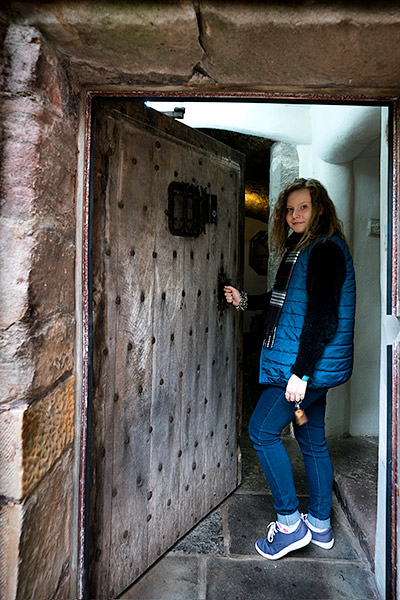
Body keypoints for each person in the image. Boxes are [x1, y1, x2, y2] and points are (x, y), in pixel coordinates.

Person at [224, 178, 356, 560]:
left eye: (304, 207)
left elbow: (321, 317)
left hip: (303, 369)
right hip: (315, 369)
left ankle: (288, 525)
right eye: (290, 209)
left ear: (320, 210)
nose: (295, 215)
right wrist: (245, 299)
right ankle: (319, 524)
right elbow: (288, 302)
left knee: (261, 431)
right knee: (311, 440)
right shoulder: (307, 248)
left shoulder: (326, 250)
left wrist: (301, 373)